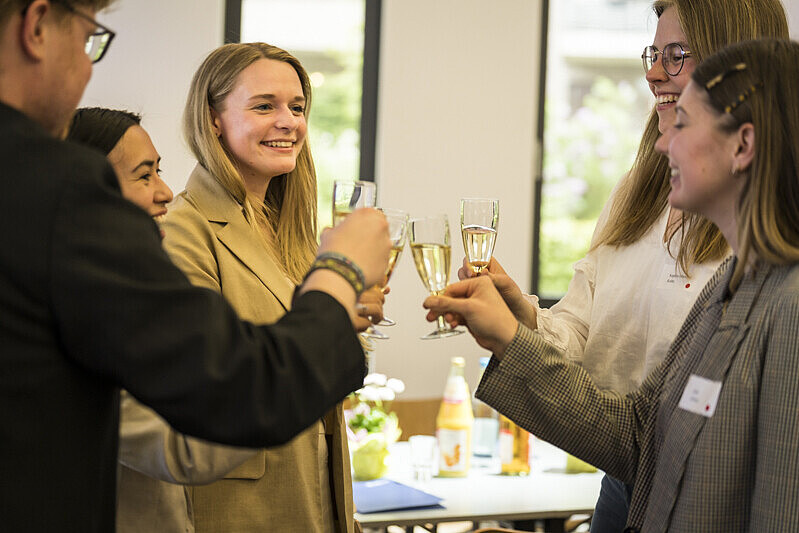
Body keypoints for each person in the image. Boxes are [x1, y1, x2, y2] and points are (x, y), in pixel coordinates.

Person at [0, 1, 391, 531]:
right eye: (264, 106)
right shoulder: (164, 226)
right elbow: (228, 396)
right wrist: (340, 277)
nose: (288, 121)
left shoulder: (293, 228)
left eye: (298, 107)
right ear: (36, 25)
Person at [426, 37, 799, 531]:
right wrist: (511, 338)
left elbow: (780, 508)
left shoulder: (789, 306)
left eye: (684, 124)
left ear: (743, 146)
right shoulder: (726, 290)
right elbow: (639, 439)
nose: (663, 142)